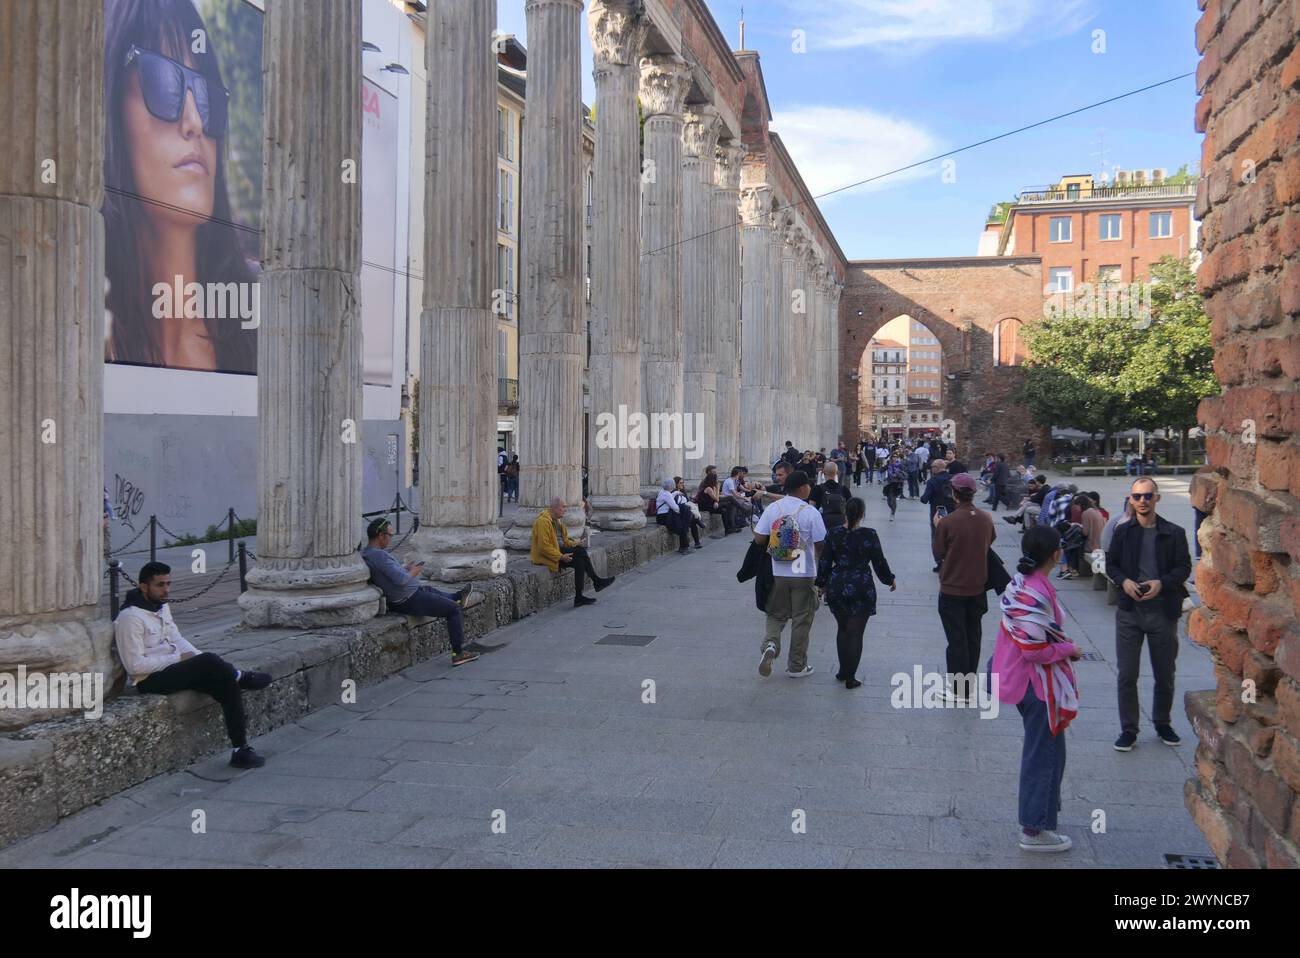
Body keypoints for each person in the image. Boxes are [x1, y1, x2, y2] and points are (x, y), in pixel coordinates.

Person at [103, 0, 258, 373]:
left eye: (207, 96)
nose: (194, 122)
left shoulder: (260, 317)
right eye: (163, 81)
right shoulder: (82, 326)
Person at [115, 561, 273, 768]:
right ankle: (241, 676)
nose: (166, 590)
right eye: (160, 585)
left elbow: (178, 639)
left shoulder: (162, 607)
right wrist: (181, 659)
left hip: (175, 670)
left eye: (168, 583)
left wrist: (198, 659)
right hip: (150, 680)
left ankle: (240, 750)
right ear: (144, 586)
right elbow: (134, 666)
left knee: (226, 684)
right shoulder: (130, 618)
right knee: (210, 661)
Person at [991, 525, 1082, 853]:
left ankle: (1043, 814)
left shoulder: (1022, 583)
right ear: (1056, 555)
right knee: (1042, 754)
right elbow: (1035, 650)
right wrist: (1068, 649)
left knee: (1052, 750)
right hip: (1035, 683)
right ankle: (1034, 828)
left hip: (1022, 677)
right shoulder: (1035, 591)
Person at [1104, 477, 1191, 751]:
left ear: (1157, 498)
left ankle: (1162, 722)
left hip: (1162, 611)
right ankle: (1128, 729)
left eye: (1148, 496)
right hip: (1130, 612)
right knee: (1127, 674)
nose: (1142, 501)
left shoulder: (1174, 532)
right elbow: (1111, 564)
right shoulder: (1123, 531)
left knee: (1165, 673)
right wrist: (1124, 582)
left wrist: (1162, 583)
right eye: (1137, 496)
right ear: (1131, 499)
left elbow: (1184, 567)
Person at [362, 519, 479, 666]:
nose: (391, 539)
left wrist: (406, 568)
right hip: (408, 599)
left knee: (429, 590)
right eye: (390, 535)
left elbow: (392, 574)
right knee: (453, 610)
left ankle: (457, 597)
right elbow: (401, 580)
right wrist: (414, 571)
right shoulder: (379, 556)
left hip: (407, 596)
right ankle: (458, 653)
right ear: (381, 535)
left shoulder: (368, 554)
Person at [816, 497, 896, 689]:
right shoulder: (869, 534)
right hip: (861, 584)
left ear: (845, 512)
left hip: (838, 584)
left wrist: (821, 584)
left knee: (842, 629)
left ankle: (843, 671)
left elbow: (825, 561)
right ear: (862, 514)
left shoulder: (834, 534)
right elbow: (879, 561)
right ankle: (851, 677)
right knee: (856, 633)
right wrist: (889, 579)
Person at [754, 470, 827, 679]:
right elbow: (821, 543)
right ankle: (797, 666)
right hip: (804, 572)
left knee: (776, 613)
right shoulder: (811, 512)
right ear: (803, 488)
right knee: (802, 618)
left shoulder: (773, 508)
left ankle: (770, 644)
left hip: (777, 571)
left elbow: (759, 538)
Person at [934, 473, 997, 702]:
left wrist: (938, 526)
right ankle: (968, 687)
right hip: (978, 587)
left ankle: (959, 690)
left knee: (957, 640)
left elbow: (939, 552)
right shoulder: (986, 518)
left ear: (954, 494)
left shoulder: (948, 521)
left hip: (952, 588)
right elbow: (990, 541)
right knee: (973, 637)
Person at [530, 497, 615, 607]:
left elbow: (565, 541)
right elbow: (543, 547)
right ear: (555, 508)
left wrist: (576, 543)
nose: (565, 510)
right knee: (580, 552)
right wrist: (561, 557)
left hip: (558, 551)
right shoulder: (543, 522)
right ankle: (596, 581)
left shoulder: (558, 521)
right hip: (548, 556)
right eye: (563, 507)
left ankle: (579, 597)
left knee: (579, 561)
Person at [654, 478, 693, 555]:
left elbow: (669, 497)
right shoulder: (667, 494)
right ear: (671, 486)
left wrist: (677, 493)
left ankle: (684, 547)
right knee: (683, 522)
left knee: (683, 522)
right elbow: (675, 507)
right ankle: (684, 548)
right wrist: (681, 512)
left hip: (661, 517)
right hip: (666, 517)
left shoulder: (662, 492)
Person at [810, 460, 848, 532]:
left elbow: (811, 508)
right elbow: (850, 507)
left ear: (823, 473)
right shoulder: (844, 489)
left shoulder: (817, 489)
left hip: (822, 523)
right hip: (841, 522)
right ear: (837, 473)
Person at [673, 476, 705, 550]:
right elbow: (676, 505)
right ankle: (699, 523)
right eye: (680, 483)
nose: (682, 484)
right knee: (692, 520)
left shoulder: (683, 493)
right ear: (676, 484)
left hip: (687, 512)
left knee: (692, 520)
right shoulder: (674, 494)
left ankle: (697, 542)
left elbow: (688, 502)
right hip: (680, 514)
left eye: (683, 483)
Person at [721, 466, 753, 534]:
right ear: (737, 474)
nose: (741, 475)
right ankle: (736, 525)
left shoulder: (735, 480)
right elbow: (734, 494)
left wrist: (749, 492)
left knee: (740, 506)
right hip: (729, 499)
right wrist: (744, 498)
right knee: (737, 507)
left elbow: (741, 490)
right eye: (740, 473)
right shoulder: (729, 481)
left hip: (734, 498)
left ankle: (738, 523)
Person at [882, 454, 906, 519]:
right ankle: (892, 509)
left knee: (893, 499)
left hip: (897, 483)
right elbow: (881, 470)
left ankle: (892, 513)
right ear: (891, 458)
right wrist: (883, 465)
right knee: (889, 501)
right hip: (889, 483)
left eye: (895, 457)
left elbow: (905, 472)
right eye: (893, 457)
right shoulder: (888, 465)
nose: (894, 458)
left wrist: (899, 474)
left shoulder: (899, 465)